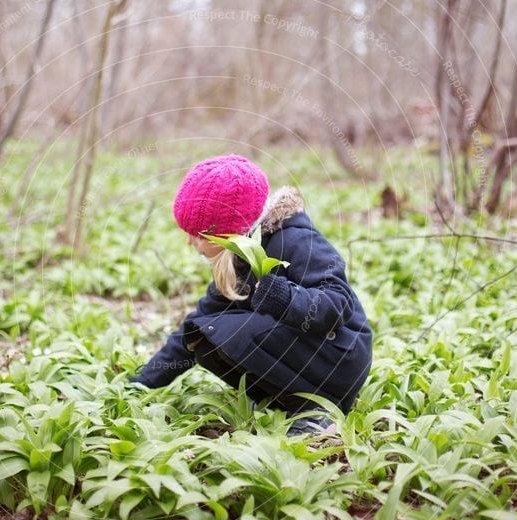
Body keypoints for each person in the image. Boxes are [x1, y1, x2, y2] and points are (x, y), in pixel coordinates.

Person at [130, 154, 372, 436]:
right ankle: (287, 403)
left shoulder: (295, 239)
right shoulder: (240, 257)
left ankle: (317, 413)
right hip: (309, 354)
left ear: (224, 231)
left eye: (197, 235)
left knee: (233, 331)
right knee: (203, 335)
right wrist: (143, 383)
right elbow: (199, 321)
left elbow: (337, 303)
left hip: (340, 357)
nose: (189, 241)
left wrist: (284, 297)